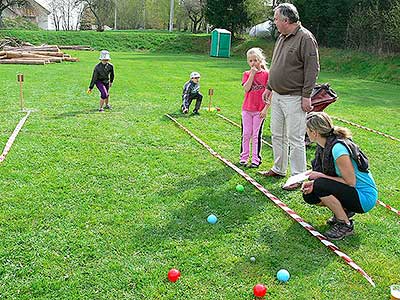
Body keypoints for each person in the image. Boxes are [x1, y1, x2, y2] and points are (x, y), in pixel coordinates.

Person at [261, 3, 320, 190]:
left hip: (295, 97)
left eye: (276, 19)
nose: (275, 22)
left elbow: (312, 70)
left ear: (286, 20)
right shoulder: (281, 37)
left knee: (295, 138)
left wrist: (306, 96)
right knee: (277, 134)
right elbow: (276, 64)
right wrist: (269, 87)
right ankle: (278, 168)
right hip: (277, 95)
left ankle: (297, 176)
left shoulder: (305, 38)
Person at [302, 112, 378, 240]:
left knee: (320, 185)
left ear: (314, 132)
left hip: (364, 196)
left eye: (307, 130)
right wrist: (313, 183)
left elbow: (351, 182)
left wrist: (319, 178)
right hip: (351, 190)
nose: (306, 133)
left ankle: (345, 224)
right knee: (309, 195)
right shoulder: (323, 145)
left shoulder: (338, 149)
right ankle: (344, 211)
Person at [239, 48, 270, 168]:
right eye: (250, 61)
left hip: (259, 111)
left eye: (255, 60)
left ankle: (256, 159)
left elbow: (269, 94)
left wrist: (265, 109)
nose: (253, 63)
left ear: (260, 60)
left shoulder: (266, 75)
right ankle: (244, 157)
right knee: (246, 134)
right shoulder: (246, 74)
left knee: (256, 135)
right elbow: (246, 89)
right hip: (247, 109)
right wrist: (252, 74)